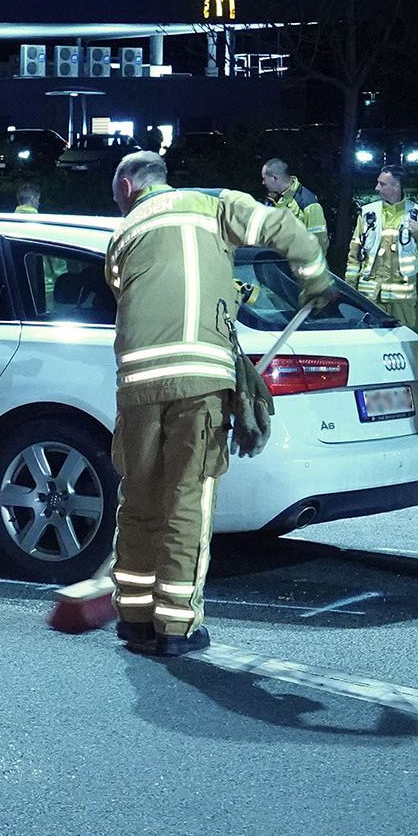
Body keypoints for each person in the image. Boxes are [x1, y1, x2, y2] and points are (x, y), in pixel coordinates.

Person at [104, 152, 333, 656]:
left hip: (138, 387)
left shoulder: (122, 236)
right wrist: (315, 278)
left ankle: (135, 618)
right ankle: (177, 627)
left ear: (127, 186)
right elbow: (285, 228)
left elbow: (133, 297)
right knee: (187, 498)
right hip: (200, 383)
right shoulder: (212, 207)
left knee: (139, 499)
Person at [346, 165, 418, 325]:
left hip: (401, 299)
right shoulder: (368, 213)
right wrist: (349, 287)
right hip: (370, 295)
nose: (376, 188)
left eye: (382, 184)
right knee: (368, 341)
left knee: (403, 339)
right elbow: (355, 253)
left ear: (396, 186)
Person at [260, 158, 328, 251]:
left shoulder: (308, 203)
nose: (263, 183)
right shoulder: (270, 201)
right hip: (273, 262)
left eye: (264, 179)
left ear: (274, 178)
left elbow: (319, 244)